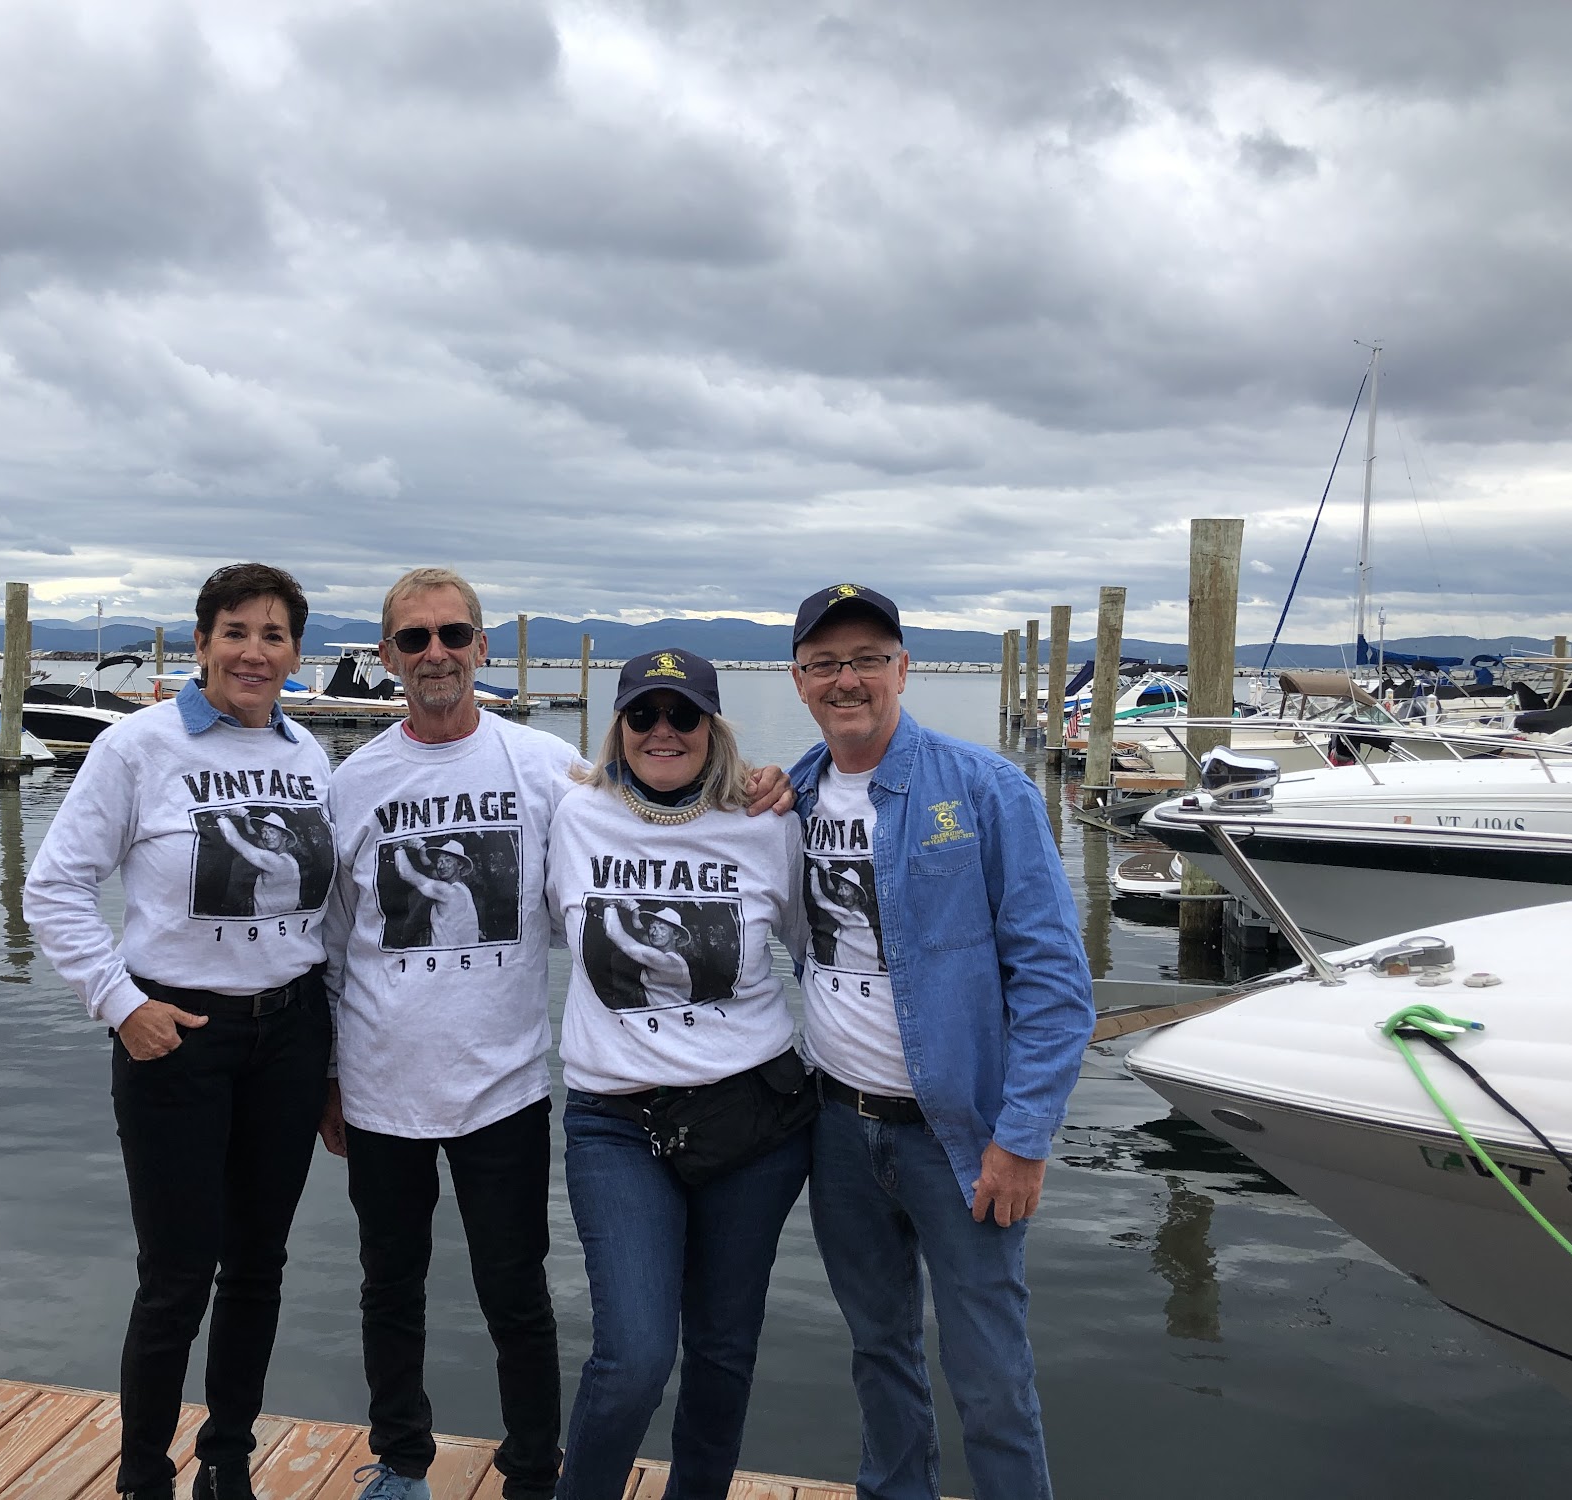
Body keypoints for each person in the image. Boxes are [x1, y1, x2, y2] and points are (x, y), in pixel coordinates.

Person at [320, 571, 792, 1500]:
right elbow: (333, 941)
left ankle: (533, 1471)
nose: (436, 653)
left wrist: (771, 783)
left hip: (505, 1082)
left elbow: (652, 809)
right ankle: (401, 1461)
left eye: (453, 634)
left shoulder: (545, 768)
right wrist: (327, 1073)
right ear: (386, 657)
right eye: (413, 639)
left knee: (517, 1292)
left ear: (482, 645)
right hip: (380, 1079)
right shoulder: (354, 782)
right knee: (389, 1285)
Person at [25, 563, 335, 1500]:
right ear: (201, 643)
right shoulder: (138, 746)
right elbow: (55, 888)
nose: (253, 652)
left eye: (273, 635)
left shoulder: (308, 755)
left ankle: (227, 1460)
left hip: (290, 1033)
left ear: (295, 653)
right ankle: (143, 1473)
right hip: (177, 1035)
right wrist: (121, 1004)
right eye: (235, 632)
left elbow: (332, 917)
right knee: (176, 1272)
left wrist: (334, 1063)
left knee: (258, 1266)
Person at [786, 583, 1092, 1500]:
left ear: (903, 669)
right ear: (799, 680)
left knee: (990, 1371)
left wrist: (1023, 1136)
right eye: (826, 663)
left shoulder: (987, 789)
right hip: (838, 1131)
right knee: (879, 1354)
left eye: (867, 660)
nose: (847, 680)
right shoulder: (789, 796)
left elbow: (1055, 982)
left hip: (961, 1139)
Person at [546, 649, 812, 1500]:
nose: (663, 731)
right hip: (616, 1122)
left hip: (753, 1121)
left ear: (713, 727)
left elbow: (819, 954)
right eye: (643, 715)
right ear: (619, 726)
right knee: (633, 1356)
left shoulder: (767, 822)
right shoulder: (573, 813)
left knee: (724, 1350)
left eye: (683, 715)